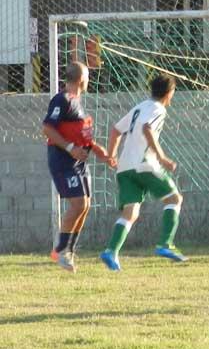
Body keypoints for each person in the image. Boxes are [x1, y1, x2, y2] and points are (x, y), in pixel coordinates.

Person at [99, 74, 186, 271]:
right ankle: (165, 244)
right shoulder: (158, 109)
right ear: (169, 93)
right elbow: (147, 129)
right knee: (174, 199)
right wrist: (162, 157)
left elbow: (115, 130)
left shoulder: (140, 107)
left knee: (130, 213)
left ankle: (111, 252)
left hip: (125, 168)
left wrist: (112, 155)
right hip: (144, 164)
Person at [42, 61, 114, 273]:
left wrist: (100, 151)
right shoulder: (61, 99)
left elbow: (81, 136)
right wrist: (71, 148)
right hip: (63, 159)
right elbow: (47, 128)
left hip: (79, 160)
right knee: (78, 204)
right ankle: (61, 250)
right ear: (82, 79)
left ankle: (68, 251)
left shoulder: (77, 102)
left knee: (85, 205)